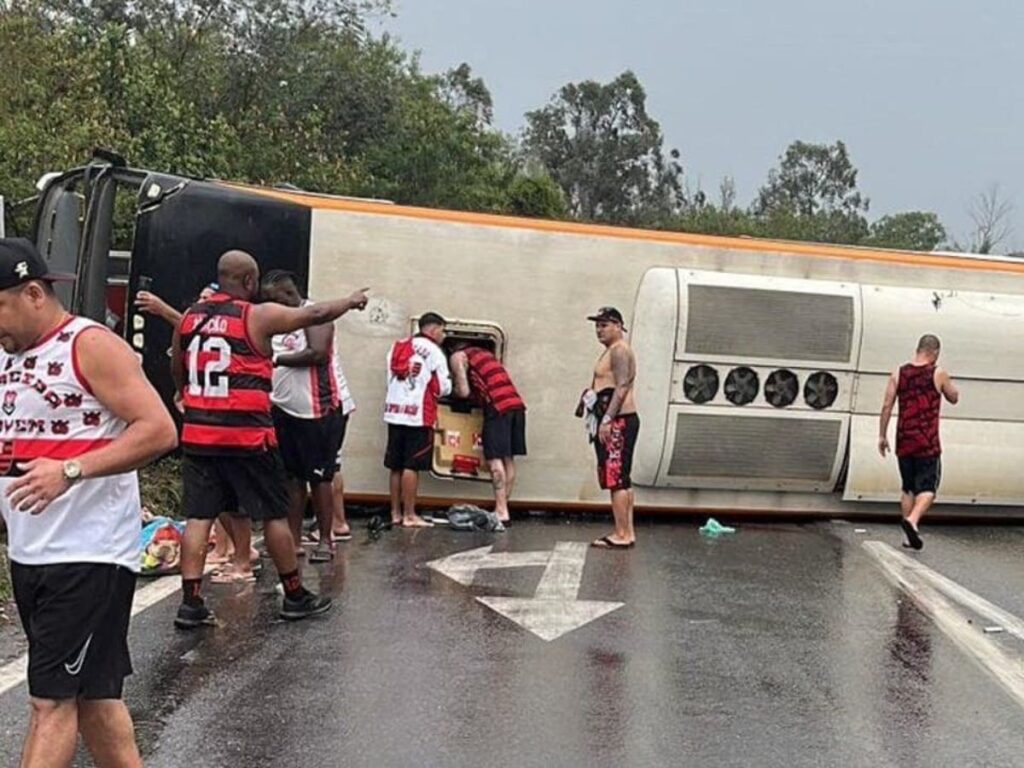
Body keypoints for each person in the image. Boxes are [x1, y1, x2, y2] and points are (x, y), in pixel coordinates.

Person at [0, 237, 178, 768]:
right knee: (96, 699)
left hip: (87, 553)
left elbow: (159, 429)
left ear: (34, 293)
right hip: (32, 549)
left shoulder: (89, 345)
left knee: (50, 701)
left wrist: (71, 471)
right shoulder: (9, 355)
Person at [170, 250, 368, 628]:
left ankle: (191, 602)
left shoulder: (190, 318)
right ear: (249, 281)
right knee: (275, 514)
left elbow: (177, 368)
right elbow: (314, 314)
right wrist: (350, 300)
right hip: (247, 435)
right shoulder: (255, 316)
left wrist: (186, 397)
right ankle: (294, 594)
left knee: (199, 516)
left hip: (199, 434)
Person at [136, 286, 259, 583]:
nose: (202, 304)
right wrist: (183, 391)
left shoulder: (232, 326)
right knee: (210, 503)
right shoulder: (196, 331)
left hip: (228, 424)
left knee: (228, 501)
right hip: (203, 423)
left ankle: (242, 555)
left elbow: (187, 324)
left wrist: (162, 308)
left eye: (207, 299)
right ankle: (226, 552)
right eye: (200, 299)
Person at [260, 270, 349, 562]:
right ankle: (294, 540)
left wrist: (276, 359)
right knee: (292, 478)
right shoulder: (279, 321)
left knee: (319, 477)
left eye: (275, 299)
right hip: (284, 408)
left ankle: (325, 539)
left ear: (289, 294)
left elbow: (317, 354)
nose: (271, 305)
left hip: (319, 408)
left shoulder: (315, 314)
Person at [879, 334, 959, 550]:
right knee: (928, 488)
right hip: (927, 441)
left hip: (904, 439)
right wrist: (948, 385)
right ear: (935, 352)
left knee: (908, 488)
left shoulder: (899, 372)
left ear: (918, 349)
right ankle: (913, 521)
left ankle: (908, 536)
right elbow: (954, 397)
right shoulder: (938, 373)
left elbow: (887, 405)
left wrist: (882, 435)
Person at [383, 312, 451, 527]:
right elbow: (442, 387)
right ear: (434, 329)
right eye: (443, 331)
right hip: (419, 414)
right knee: (411, 465)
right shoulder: (434, 352)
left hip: (395, 412)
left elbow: (389, 378)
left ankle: (395, 513)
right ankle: (410, 515)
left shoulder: (398, 347)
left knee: (395, 465)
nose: (444, 335)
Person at [449, 342, 526, 524]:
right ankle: (503, 507)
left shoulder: (458, 356)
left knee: (494, 459)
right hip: (516, 406)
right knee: (508, 459)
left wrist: (452, 390)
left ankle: (501, 511)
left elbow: (463, 391)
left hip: (497, 407)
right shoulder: (486, 355)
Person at [583, 307, 639, 549]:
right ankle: (627, 531)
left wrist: (607, 419)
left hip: (619, 421)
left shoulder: (620, 350)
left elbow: (622, 386)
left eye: (604, 325)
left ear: (618, 326)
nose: (599, 329)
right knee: (621, 478)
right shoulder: (610, 350)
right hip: (614, 419)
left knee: (616, 479)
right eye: (597, 325)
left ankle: (622, 534)